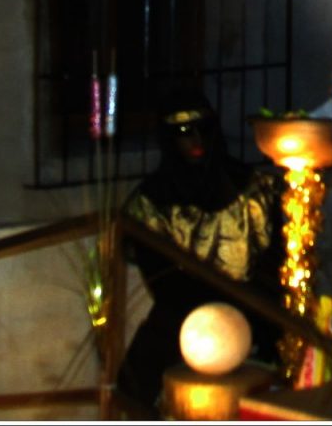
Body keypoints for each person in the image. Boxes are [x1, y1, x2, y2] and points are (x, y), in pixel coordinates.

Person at [116, 87, 285, 414]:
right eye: (183, 131)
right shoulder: (149, 205)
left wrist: (246, 306)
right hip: (184, 319)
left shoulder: (255, 192)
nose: (196, 140)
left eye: (203, 128)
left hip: (253, 310)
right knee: (136, 384)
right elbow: (162, 281)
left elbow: (272, 261)